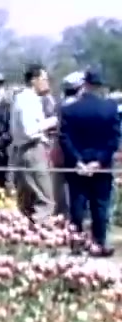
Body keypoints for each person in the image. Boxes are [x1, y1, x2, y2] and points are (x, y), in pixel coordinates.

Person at [59, 70, 121, 257]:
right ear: (100, 86)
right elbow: (114, 138)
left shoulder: (69, 109)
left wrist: (78, 161)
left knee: (78, 203)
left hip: (77, 164)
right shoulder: (110, 108)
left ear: (84, 84)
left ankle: (77, 242)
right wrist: (100, 161)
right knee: (100, 205)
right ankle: (100, 242)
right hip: (102, 165)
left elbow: (65, 138)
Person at [10, 64, 56, 222]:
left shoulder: (24, 98)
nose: (47, 83)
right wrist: (53, 121)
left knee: (27, 200)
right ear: (34, 80)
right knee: (45, 200)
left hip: (26, 150)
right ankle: (40, 231)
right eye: (44, 79)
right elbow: (29, 130)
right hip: (32, 150)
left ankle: (26, 233)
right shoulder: (28, 99)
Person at [50, 71, 84, 217]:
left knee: (59, 187)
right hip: (75, 151)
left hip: (58, 149)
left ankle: (62, 215)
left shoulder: (59, 104)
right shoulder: (77, 106)